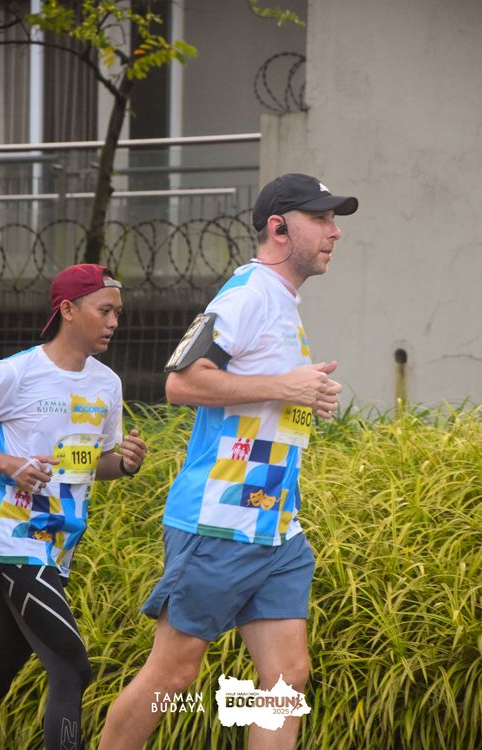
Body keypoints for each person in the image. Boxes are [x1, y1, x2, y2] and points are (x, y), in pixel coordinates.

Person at [99, 173, 358, 750]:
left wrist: (305, 399)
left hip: (276, 525)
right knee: (174, 676)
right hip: (220, 522)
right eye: (321, 219)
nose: (335, 232)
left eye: (334, 220)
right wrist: (286, 387)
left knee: (287, 677)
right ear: (279, 228)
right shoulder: (247, 294)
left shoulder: (281, 301)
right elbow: (181, 383)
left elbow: (261, 396)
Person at [0, 263, 147, 750]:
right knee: (71, 667)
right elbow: (8, 461)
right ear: (68, 310)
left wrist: (125, 464)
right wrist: (8, 463)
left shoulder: (106, 384)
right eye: (105, 310)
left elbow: (96, 465)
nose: (114, 322)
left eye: (118, 312)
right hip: (12, 540)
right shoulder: (15, 373)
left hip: (59, 548)